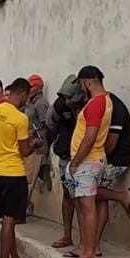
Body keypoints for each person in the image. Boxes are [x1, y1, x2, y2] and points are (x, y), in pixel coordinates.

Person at [0, 78, 38, 258]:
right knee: (10, 220)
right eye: (28, 96)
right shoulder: (20, 118)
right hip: (13, 172)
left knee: (6, 219)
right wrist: (34, 143)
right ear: (24, 94)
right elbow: (24, 151)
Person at [65, 66, 113, 258]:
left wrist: (75, 162)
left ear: (87, 82)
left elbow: (90, 137)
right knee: (84, 207)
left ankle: (89, 253)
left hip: (87, 161)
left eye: (82, 84)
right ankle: (85, 247)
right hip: (91, 160)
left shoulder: (95, 104)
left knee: (87, 209)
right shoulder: (107, 100)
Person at [93, 89, 130, 252]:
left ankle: (122, 196)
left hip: (116, 159)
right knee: (98, 198)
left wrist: (98, 160)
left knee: (91, 192)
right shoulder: (104, 103)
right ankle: (94, 244)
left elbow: (111, 143)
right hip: (106, 159)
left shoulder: (115, 107)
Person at [46, 75, 86, 249]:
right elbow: (50, 123)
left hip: (86, 157)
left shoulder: (89, 104)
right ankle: (67, 236)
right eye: (65, 97)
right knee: (68, 195)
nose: (68, 101)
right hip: (66, 156)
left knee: (84, 199)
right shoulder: (59, 106)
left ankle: (86, 240)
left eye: (71, 98)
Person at [23, 75, 51, 216]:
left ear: (37, 88)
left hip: (38, 146)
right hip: (30, 144)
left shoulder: (40, 104)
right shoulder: (31, 103)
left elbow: (46, 124)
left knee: (29, 179)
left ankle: (24, 208)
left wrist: (36, 135)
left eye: (31, 87)